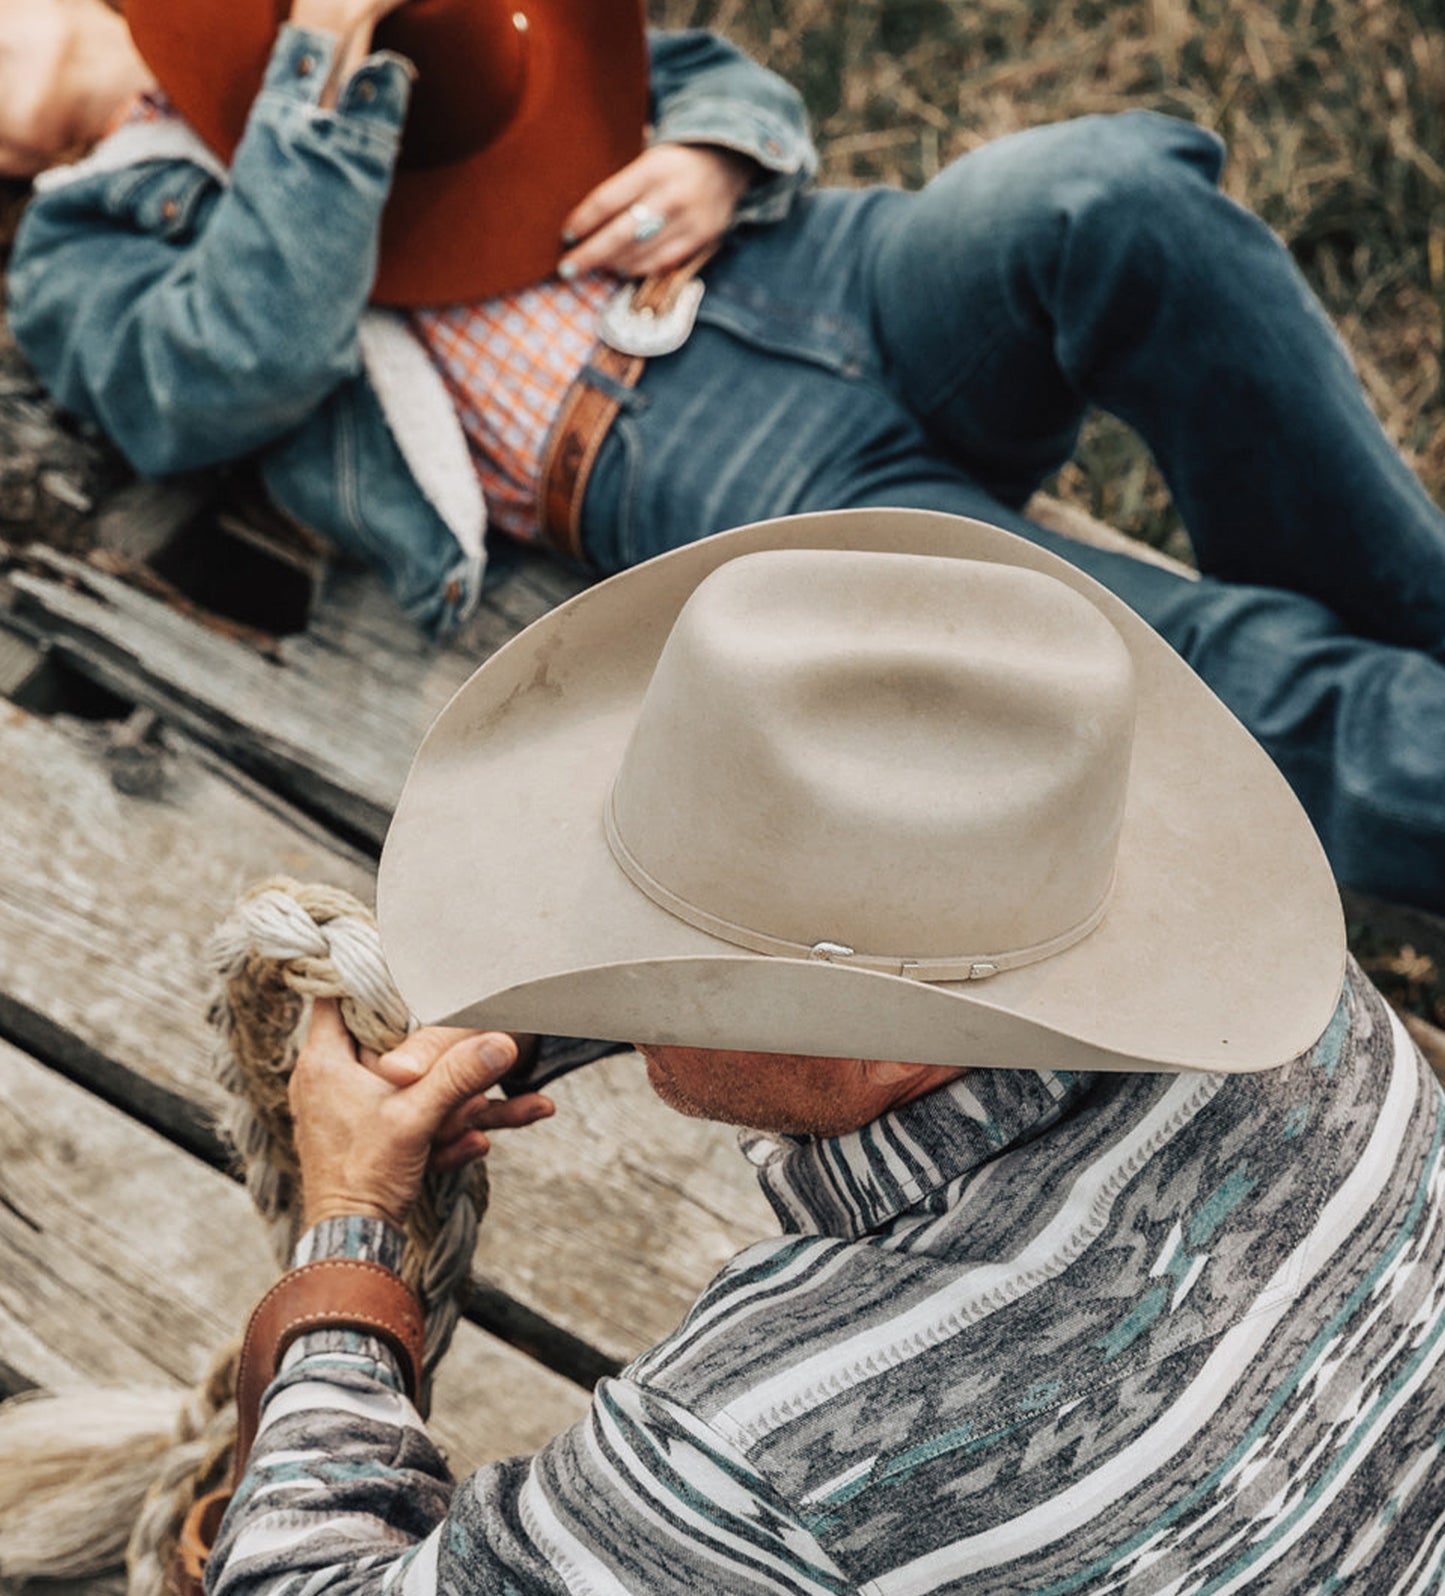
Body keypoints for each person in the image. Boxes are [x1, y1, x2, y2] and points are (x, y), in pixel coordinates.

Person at [197, 509, 1445, 1596]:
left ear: (856, 1042)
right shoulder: (1325, 1030)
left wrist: (350, 1227)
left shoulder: (774, 1434)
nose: (617, 986)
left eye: (667, 970)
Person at [6, 0, 1445, 913]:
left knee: (1108, 191)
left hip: (822, 268)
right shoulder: (82, 247)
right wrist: (318, 62)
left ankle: (1420, 632)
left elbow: (658, 65)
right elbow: (237, 367)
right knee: (1165, 668)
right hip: (686, 463)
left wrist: (712, 150)